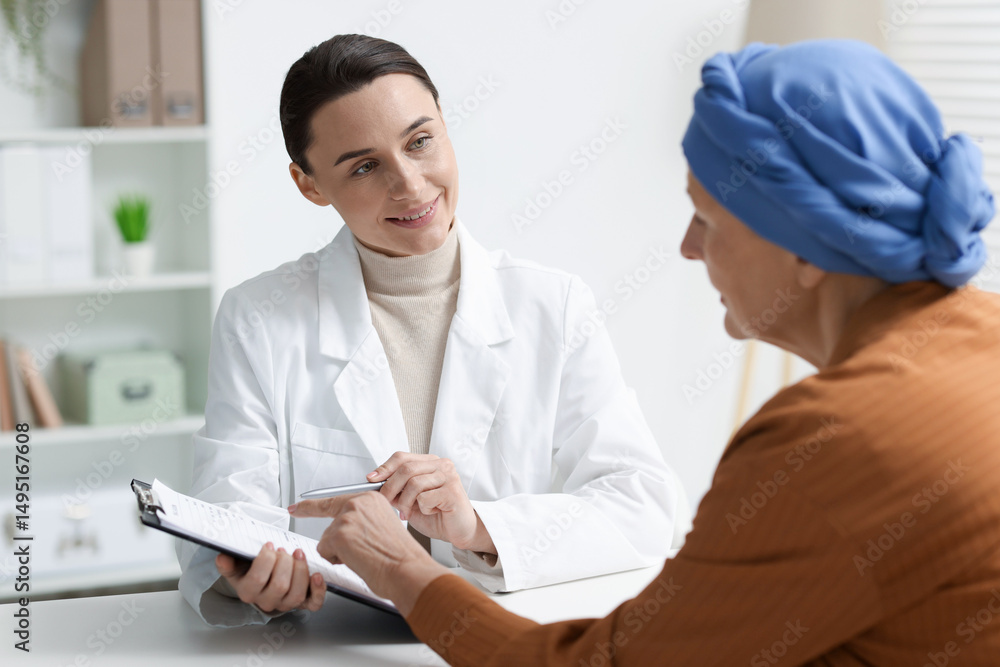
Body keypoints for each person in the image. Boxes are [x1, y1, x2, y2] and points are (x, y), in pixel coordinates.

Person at [292, 40, 1000, 665]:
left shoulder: (835, 440)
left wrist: (403, 570)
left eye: (707, 217)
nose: (688, 247)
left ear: (805, 244)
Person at [176, 34, 686, 627]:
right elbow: (224, 515)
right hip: (332, 645)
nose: (411, 185)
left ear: (444, 124)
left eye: (420, 142)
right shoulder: (258, 317)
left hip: (500, 641)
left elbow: (642, 504)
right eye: (365, 167)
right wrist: (247, 577)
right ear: (309, 184)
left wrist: (477, 526)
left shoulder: (554, 306)